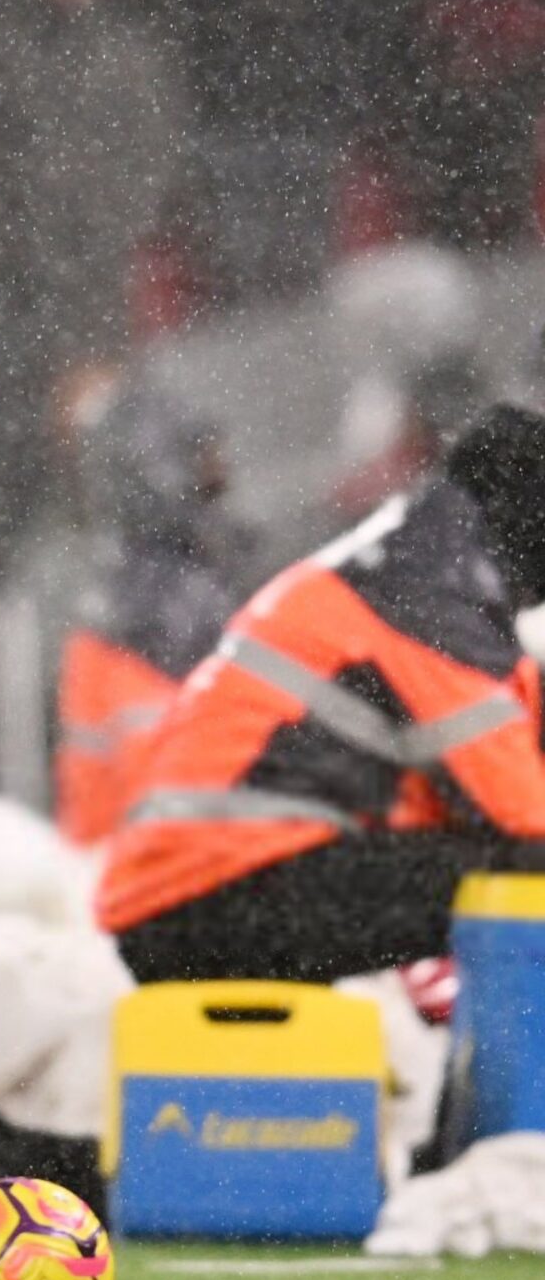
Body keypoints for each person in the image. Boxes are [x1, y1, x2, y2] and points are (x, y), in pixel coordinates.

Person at [98, 402, 545, 986]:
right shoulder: (430, 608)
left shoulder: (405, 571)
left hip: (190, 892)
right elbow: (523, 821)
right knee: (509, 869)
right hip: (209, 899)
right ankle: (503, 1070)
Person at [55, 384, 246, 846]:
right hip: (209, 879)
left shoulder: (100, 621)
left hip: (135, 886)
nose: (221, 476)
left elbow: (89, 818)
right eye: (202, 461)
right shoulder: (229, 598)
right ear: (165, 472)